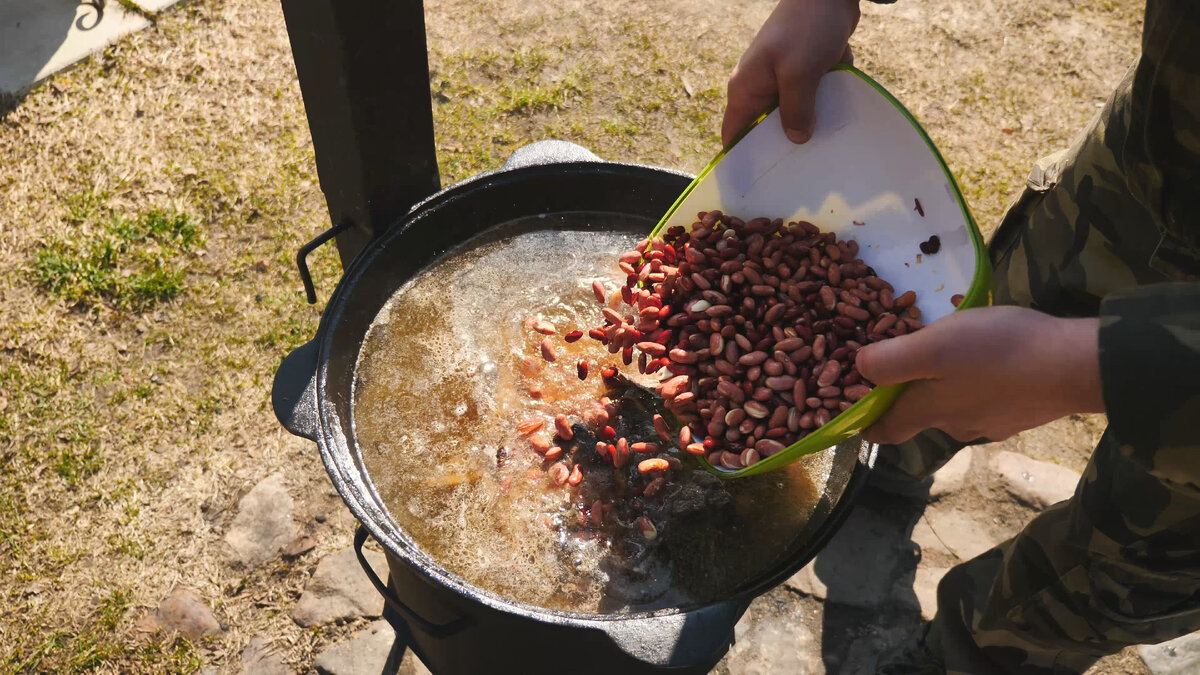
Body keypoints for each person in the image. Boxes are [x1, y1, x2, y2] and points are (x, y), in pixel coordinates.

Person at [722, 0, 1200, 672]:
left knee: (1105, 580)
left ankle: (959, 658)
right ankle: (893, 466)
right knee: (966, 332)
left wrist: (1083, 367)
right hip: (1154, 157)